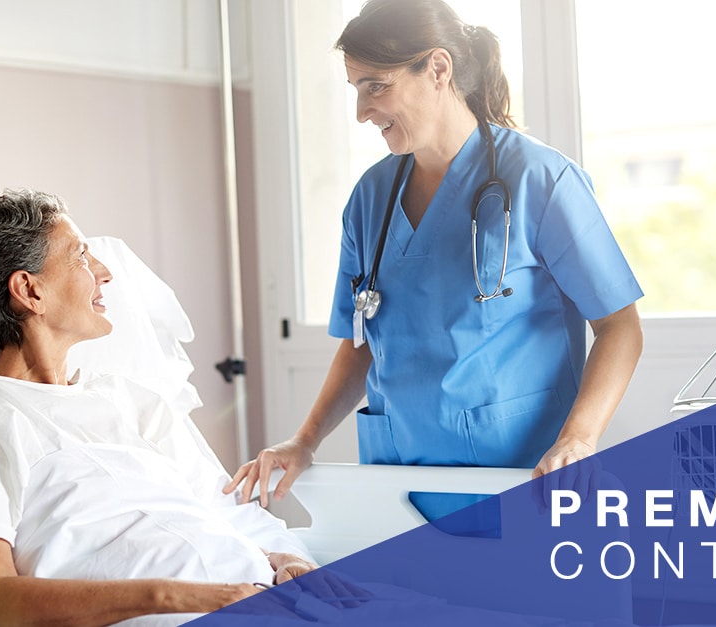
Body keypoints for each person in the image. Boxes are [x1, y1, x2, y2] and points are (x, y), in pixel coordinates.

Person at [226, 0, 644, 511]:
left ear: (438, 69)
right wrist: (304, 440)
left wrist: (579, 438)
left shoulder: (540, 179)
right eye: (356, 90)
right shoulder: (370, 199)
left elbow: (620, 324)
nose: (361, 113)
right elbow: (362, 343)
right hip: (396, 488)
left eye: (375, 86)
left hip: (521, 478)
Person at [0, 189, 356, 626]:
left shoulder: (130, 401)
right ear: (29, 290)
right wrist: (178, 596)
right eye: (81, 257)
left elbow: (226, 511)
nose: (104, 273)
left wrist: (287, 560)